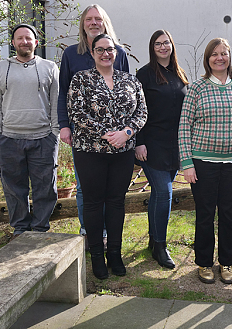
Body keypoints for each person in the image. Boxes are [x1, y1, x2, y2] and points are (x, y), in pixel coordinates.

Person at [178, 38, 232, 285]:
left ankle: (226, 263)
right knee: (204, 214)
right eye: (214, 54)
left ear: (229, 57)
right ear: (208, 58)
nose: (219, 58)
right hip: (203, 163)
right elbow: (184, 127)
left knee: (228, 214)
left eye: (224, 53)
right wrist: (187, 163)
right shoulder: (196, 88)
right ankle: (204, 263)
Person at [68, 34, 147, 280]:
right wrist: (106, 135)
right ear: (92, 53)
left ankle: (114, 253)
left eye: (110, 49)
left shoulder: (130, 80)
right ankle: (96, 257)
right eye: (100, 50)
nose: (105, 54)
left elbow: (142, 111)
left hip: (122, 153)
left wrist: (126, 133)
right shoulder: (81, 79)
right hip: (90, 151)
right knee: (93, 202)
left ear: (116, 53)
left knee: (115, 202)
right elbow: (76, 113)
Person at [58, 5, 129, 247]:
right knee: (84, 188)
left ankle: (107, 234)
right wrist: (64, 125)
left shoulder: (119, 52)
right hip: (84, 137)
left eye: (98, 18)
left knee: (112, 190)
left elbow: (129, 95)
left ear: (105, 22)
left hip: (117, 138)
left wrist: (125, 132)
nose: (93, 22)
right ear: (83, 24)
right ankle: (89, 231)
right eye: (89, 19)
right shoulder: (71, 55)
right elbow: (63, 94)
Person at [0, 23, 59, 237]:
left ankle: (39, 228)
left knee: (45, 186)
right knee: (14, 187)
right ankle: (20, 228)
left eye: (28, 38)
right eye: (20, 38)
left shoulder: (50, 67)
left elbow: (56, 103)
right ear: (13, 43)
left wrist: (54, 133)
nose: (24, 41)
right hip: (9, 138)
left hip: (43, 138)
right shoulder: (0, 69)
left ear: (36, 43)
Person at [135, 30, 188, 270]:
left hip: (174, 145)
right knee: (165, 193)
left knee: (158, 195)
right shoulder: (144, 75)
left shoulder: (179, 73)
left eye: (166, 42)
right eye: (158, 43)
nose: (163, 47)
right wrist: (139, 142)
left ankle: (152, 241)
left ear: (172, 45)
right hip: (151, 143)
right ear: (152, 47)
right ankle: (160, 245)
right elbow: (136, 111)